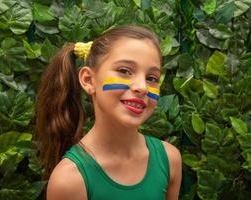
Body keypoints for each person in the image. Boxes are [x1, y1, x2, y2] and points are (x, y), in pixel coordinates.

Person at [35, 25, 182, 200]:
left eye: (152, 78)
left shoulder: (169, 160)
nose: (142, 87)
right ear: (88, 80)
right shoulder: (69, 180)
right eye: (124, 71)